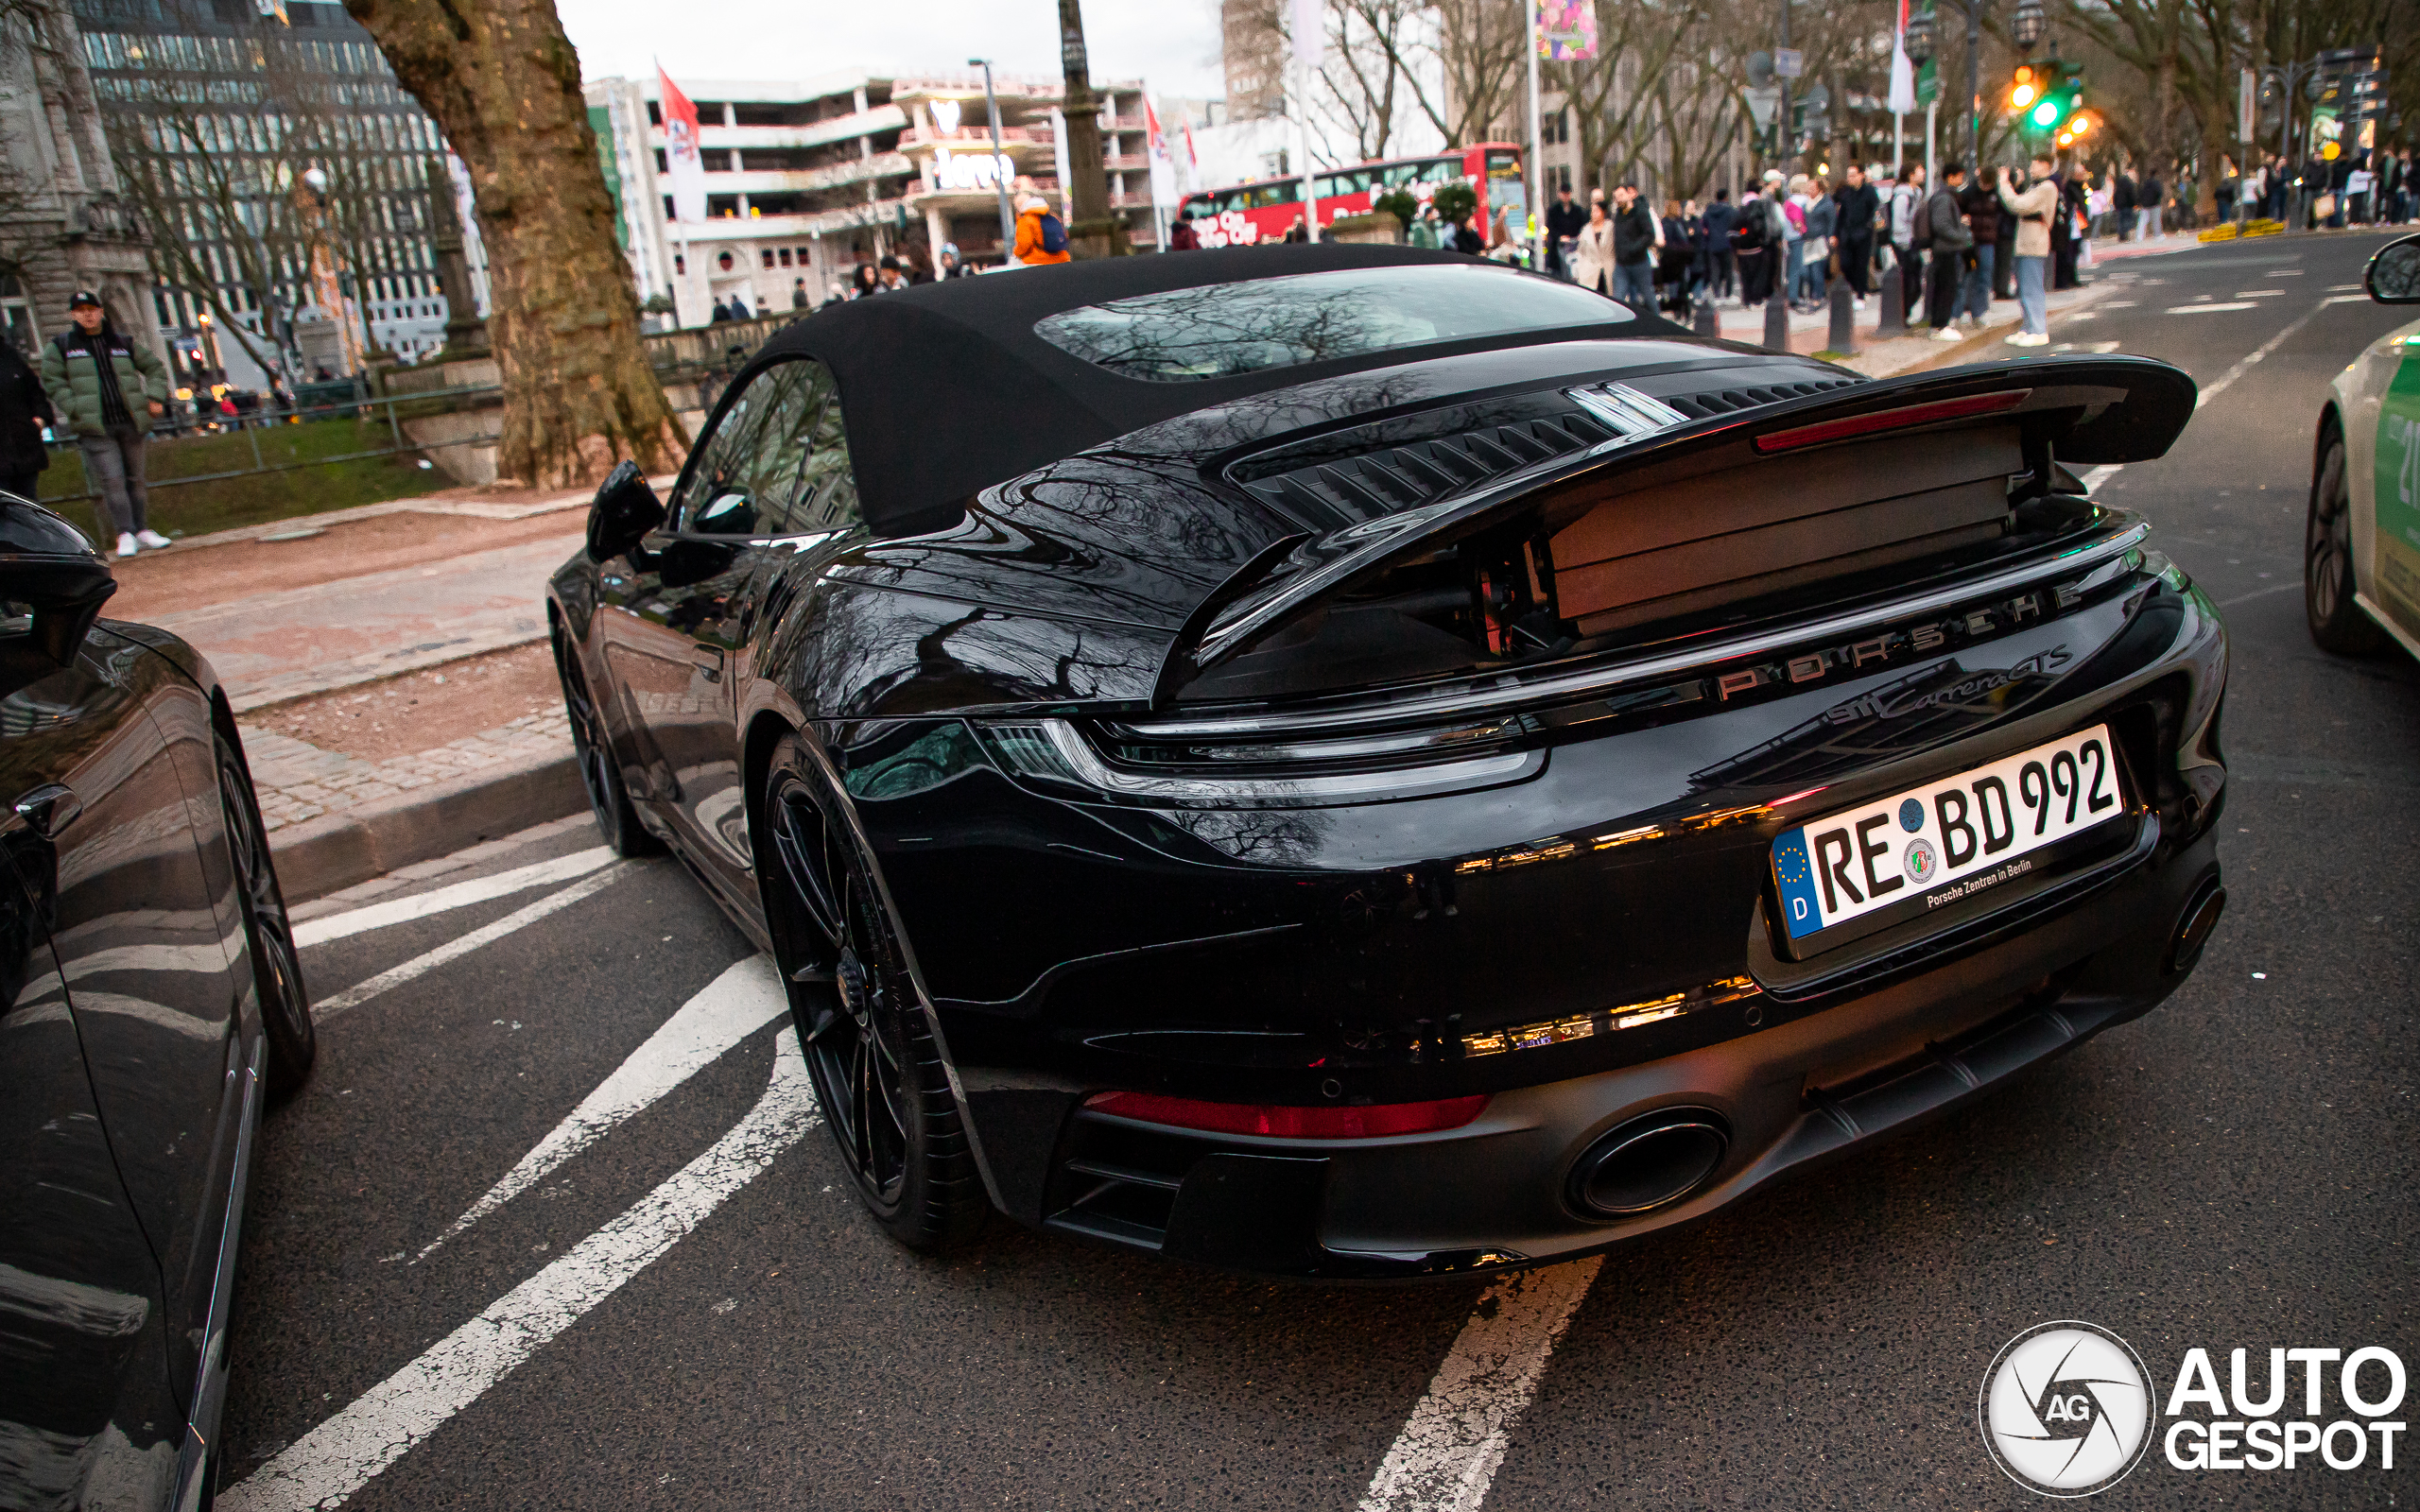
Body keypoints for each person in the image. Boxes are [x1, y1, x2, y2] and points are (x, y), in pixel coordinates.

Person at [40, 291, 170, 558]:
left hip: (130, 420)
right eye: (81, 310)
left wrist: (155, 396)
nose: (87, 314)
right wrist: (75, 407)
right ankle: (125, 532)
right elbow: (52, 381)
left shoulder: (122, 342)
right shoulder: (63, 346)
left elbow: (155, 367)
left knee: (136, 479)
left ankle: (142, 529)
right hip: (96, 427)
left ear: (101, 311)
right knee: (113, 480)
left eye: (92, 308)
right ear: (73, 315)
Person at [1999, 153, 2059, 347]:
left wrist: (2004, 185)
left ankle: (2039, 329)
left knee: (2032, 288)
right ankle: (2028, 327)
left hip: (2034, 243)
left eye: (2035, 164)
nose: (2031, 168)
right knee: (2024, 288)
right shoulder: (2036, 187)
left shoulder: (2047, 187)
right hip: (2025, 242)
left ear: (2046, 166)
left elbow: (2018, 205)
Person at [1, 339, 55, 503]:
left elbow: (34, 391)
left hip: (23, 447)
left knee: (29, 507)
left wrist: (40, 419)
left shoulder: (9, 354)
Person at [1924, 163, 1974, 338]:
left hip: (1945, 248)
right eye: (1959, 176)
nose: (1961, 180)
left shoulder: (1946, 196)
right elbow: (1941, 225)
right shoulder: (1945, 198)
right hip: (1946, 249)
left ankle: (1939, 325)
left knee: (1946, 287)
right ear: (1950, 177)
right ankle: (1940, 325)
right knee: (1946, 288)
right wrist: (1962, 236)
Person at [1960, 166, 2000, 328]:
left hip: (1988, 241)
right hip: (1971, 240)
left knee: (1985, 276)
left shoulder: (1996, 193)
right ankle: (1964, 310)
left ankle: (1980, 311)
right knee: (1969, 275)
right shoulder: (1969, 193)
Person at [1609, 183, 1657, 313]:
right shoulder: (1618, 215)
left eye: (1621, 195)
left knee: (1648, 297)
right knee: (1617, 298)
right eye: (1616, 197)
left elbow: (1649, 235)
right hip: (1622, 265)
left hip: (1639, 263)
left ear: (1629, 195)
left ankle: (1659, 325)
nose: (1618, 199)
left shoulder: (1640, 212)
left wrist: (1634, 248)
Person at [1888, 162, 1927, 317]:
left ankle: (1904, 313)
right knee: (1910, 281)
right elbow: (1899, 223)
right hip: (1905, 243)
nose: (1923, 172)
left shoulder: (1916, 193)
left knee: (1915, 281)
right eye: (1920, 170)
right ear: (1911, 175)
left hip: (1912, 242)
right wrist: (1905, 243)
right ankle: (1901, 314)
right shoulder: (1903, 196)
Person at [1796, 176, 1835, 309]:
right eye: (1808, 188)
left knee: (1817, 270)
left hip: (1820, 241)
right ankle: (1816, 294)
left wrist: (1830, 236)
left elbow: (1831, 221)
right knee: (1806, 271)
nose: (1809, 190)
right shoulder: (1805, 204)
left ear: (1819, 189)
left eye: (1812, 188)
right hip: (1807, 241)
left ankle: (1817, 297)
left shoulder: (1826, 203)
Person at [1571, 194, 1616, 296]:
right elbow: (1581, 251)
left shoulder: (1610, 227)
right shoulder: (1586, 230)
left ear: (1603, 212)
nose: (1594, 214)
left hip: (1608, 269)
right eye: (1592, 211)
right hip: (1590, 271)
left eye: (1597, 211)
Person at [1014, 192, 1071, 265]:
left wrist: (1016, 254)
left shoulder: (1025, 221)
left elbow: (1025, 243)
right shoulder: (1053, 218)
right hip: (1061, 259)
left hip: (1037, 261)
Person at [1545, 183, 1587, 280]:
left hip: (1574, 247)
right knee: (1558, 275)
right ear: (1559, 194)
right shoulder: (1553, 211)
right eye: (1563, 193)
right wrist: (1560, 237)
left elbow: (1582, 226)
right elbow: (1550, 227)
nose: (1566, 196)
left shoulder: (1578, 210)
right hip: (1558, 249)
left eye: (1567, 193)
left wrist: (1579, 236)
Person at [1703, 187, 1737, 299]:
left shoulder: (1708, 212)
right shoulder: (1730, 211)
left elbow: (1704, 227)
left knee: (1715, 270)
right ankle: (1728, 293)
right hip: (1726, 242)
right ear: (1726, 197)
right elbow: (1735, 223)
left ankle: (1716, 293)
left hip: (1712, 243)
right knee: (1728, 270)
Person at [2137, 166, 2165, 239]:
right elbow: (2159, 193)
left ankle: (2139, 237)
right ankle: (2157, 235)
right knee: (2156, 220)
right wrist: (2158, 200)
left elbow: (2141, 193)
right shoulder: (2156, 183)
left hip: (2145, 205)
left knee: (2142, 221)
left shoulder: (2145, 183)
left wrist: (2141, 202)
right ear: (2156, 174)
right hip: (2155, 204)